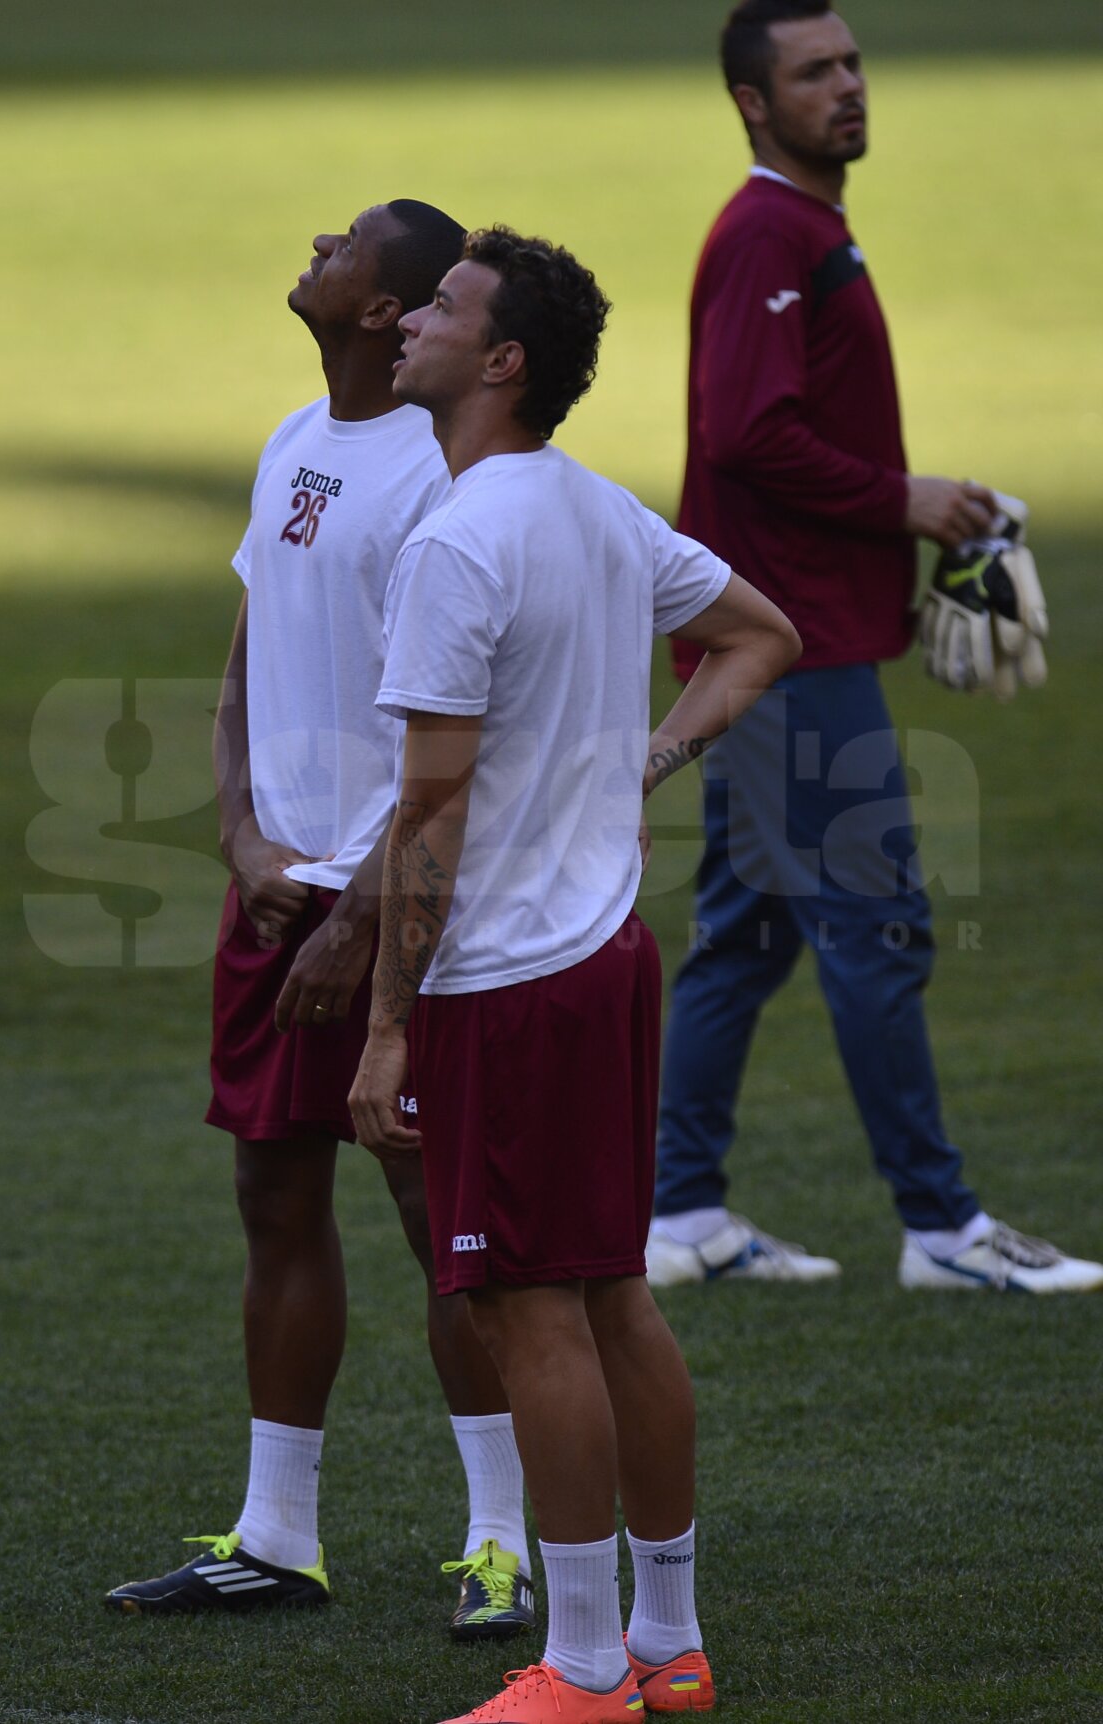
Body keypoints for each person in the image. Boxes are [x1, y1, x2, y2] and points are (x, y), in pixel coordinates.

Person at [350, 226, 801, 1722]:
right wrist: (640, 767)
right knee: (615, 1301)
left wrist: (385, 1033)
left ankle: (585, 1665)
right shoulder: (601, 513)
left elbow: (429, 811)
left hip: (508, 978)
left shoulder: (457, 540)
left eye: (445, 307)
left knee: (532, 1311)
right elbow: (761, 636)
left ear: (502, 362)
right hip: (609, 956)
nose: (408, 317)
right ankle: (670, 1647)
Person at [105, 200, 536, 1640]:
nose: (317, 243)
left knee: (440, 1218)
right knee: (274, 1196)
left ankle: (502, 1544)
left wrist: (361, 906)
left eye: (344, 241)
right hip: (275, 894)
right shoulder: (295, 438)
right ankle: (277, 1537)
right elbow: (242, 665)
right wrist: (236, 833)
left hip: (396, 904)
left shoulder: (435, 475)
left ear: (381, 308)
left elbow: (457, 729)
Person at [646, 0, 1103, 1295]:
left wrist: (907, 527)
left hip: (796, 631)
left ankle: (681, 1215)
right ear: (751, 99)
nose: (847, 87)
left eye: (852, 64)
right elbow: (747, 433)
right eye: (813, 73)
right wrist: (904, 499)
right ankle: (944, 1231)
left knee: (749, 936)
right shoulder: (765, 236)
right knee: (878, 928)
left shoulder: (806, 225)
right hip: (783, 649)